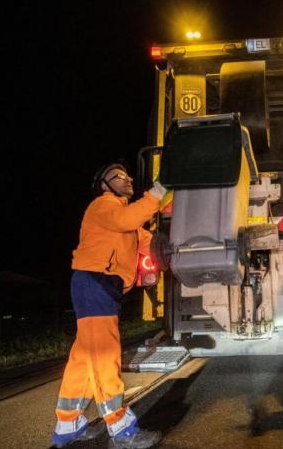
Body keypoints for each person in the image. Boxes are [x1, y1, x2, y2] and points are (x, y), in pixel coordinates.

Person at [52, 162, 166, 449]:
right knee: (104, 355)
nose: (127, 180)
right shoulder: (102, 206)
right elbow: (128, 219)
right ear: (104, 185)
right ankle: (121, 428)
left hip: (101, 287)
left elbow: (150, 243)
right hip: (95, 282)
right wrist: (158, 192)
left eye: (128, 176)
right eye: (119, 177)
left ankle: (68, 425)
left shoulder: (127, 222)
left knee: (83, 357)